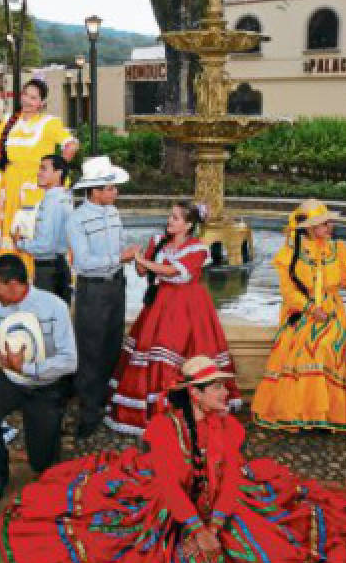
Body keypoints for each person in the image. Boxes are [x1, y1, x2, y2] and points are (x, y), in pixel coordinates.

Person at [1, 356, 346, 563]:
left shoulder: (228, 428)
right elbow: (167, 487)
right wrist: (196, 528)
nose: (226, 393)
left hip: (223, 512)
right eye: (217, 388)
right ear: (194, 393)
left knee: (258, 562)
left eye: (224, 386)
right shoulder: (163, 430)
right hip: (169, 513)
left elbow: (230, 483)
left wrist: (217, 524)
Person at [107, 200, 241, 435]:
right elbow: (143, 272)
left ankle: (185, 409)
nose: (170, 220)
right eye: (171, 216)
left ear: (188, 225)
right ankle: (157, 410)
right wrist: (140, 259)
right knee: (154, 349)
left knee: (180, 349)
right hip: (160, 304)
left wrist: (143, 261)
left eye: (176, 218)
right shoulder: (158, 242)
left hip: (187, 307)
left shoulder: (198, 248)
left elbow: (175, 273)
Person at [0, 254, 78, 506]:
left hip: (46, 385)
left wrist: (29, 367)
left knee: (41, 461)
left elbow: (70, 361)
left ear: (13, 284)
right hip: (11, 379)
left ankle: (46, 461)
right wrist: (6, 356)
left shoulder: (55, 307)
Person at [251, 199, 346, 431]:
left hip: (331, 311)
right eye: (324, 224)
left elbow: (345, 283)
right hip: (300, 312)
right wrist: (310, 308)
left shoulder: (337, 249)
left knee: (328, 345)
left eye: (329, 223)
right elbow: (288, 292)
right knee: (305, 348)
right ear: (309, 228)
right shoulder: (289, 254)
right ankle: (305, 412)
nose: (329, 227)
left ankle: (325, 415)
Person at [66, 156, 139, 439]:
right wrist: (121, 256)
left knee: (111, 343)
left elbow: (119, 245)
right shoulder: (77, 219)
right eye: (110, 188)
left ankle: (105, 401)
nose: (115, 193)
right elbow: (83, 262)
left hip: (115, 286)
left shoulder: (113, 213)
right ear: (94, 190)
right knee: (91, 349)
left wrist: (134, 259)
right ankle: (88, 412)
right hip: (93, 289)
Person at [0, 78, 79, 269]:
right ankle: (13, 280)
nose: (27, 101)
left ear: (42, 103)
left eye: (33, 98)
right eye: (25, 95)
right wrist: (6, 165)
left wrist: (58, 170)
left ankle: (39, 278)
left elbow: (71, 144)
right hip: (10, 187)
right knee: (10, 230)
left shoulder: (49, 123)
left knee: (35, 230)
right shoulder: (10, 121)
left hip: (36, 187)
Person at [15, 153, 73, 303]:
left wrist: (20, 243)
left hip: (48, 272)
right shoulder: (65, 197)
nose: (39, 173)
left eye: (44, 169)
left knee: (45, 320)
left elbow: (45, 245)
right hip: (59, 266)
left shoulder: (51, 202)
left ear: (58, 173)